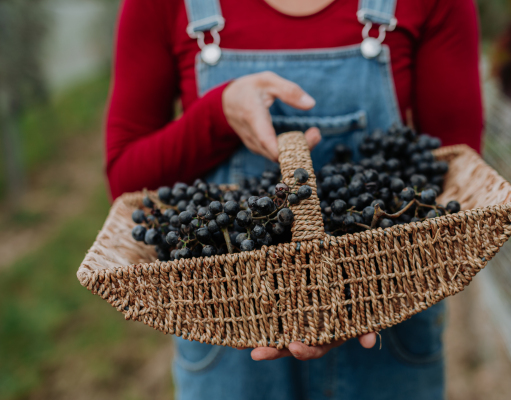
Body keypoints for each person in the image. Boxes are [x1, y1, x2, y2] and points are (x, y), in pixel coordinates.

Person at [105, 0, 482, 398]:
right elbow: (127, 182)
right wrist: (219, 113)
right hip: (227, 319)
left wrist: (371, 290)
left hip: (388, 307)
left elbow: (454, 173)